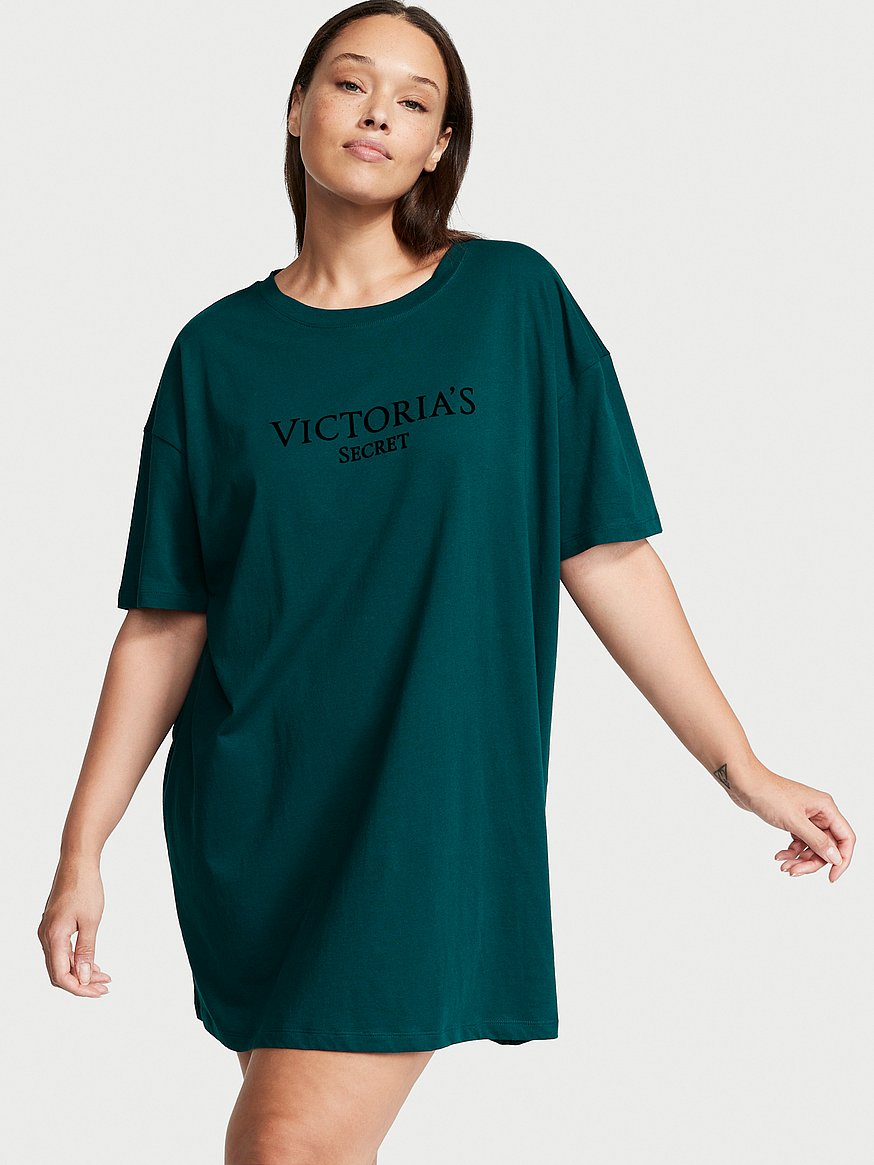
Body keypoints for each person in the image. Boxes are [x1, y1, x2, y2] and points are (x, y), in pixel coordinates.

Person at [37, 3, 856, 1163]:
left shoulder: (510, 302)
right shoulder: (215, 353)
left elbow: (606, 550)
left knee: (284, 1145)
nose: (377, 112)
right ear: (297, 110)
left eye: (414, 100)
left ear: (439, 146)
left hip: (428, 804)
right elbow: (168, 619)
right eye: (349, 83)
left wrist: (741, 768)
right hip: (256, 819)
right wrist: (82, 849)